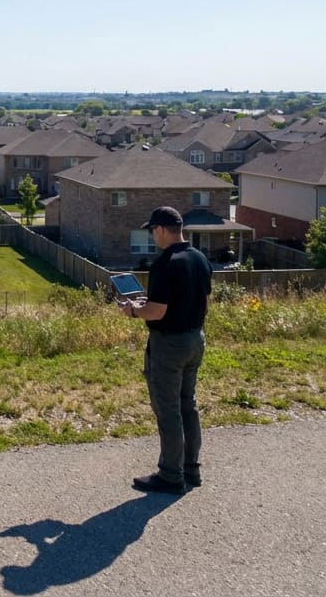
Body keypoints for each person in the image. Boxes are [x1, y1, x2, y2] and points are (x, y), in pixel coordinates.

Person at [121, 206, 212, 494]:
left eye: (152, 231)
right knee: (188, 405)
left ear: (161, 229)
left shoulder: (164, 264)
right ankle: (191, 469)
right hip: (195, 338)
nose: (152, 236)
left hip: (169, 344)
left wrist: (133, 311)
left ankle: (171, 475)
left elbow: (157, 312)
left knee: (168, 409)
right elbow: (198, 299)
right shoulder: (199, 258)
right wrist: (153, 303)